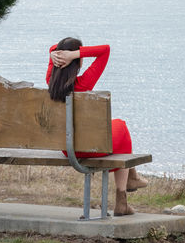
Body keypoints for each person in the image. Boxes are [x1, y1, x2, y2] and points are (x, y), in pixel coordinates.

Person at [46, 36, 147, 217]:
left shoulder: (50, 82)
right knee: (121, 126)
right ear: (77, 61)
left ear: (56, 58)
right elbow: (105, 50)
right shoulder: (84, 83)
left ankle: (133, 178)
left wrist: (56, 54)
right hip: (89, 148)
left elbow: (52, 48)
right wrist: (75, 53)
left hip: (66, 148)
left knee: (116, 129)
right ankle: (124, 194)